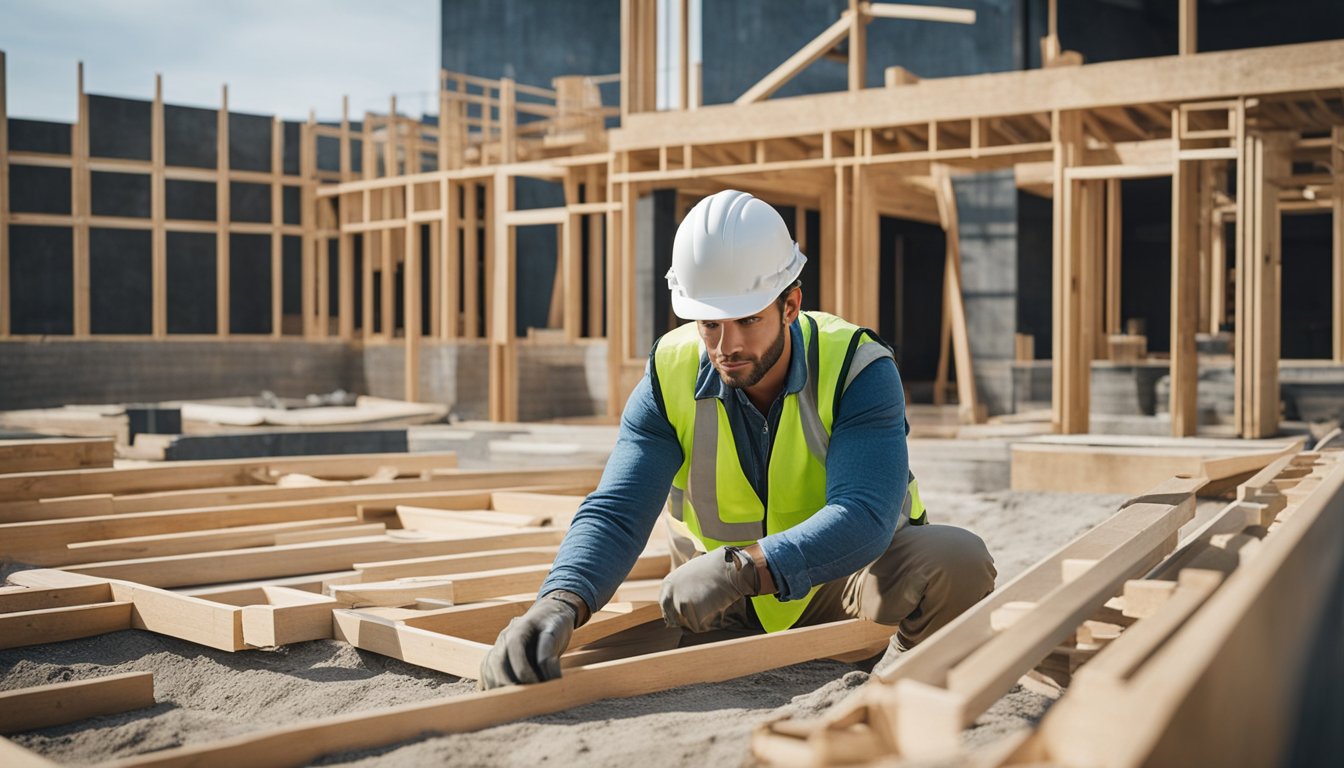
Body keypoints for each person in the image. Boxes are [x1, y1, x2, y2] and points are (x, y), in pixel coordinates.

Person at [480, 189, 996, 688]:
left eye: (748, 319)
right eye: (710, 324)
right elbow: (618, 509)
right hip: (717, 605)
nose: (728, 346)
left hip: (839, 582)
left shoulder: (855, 367)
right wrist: (561, 599)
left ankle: (900, 683)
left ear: (790, 305)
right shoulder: (670, 372)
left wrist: (743, 569)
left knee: (957, 559)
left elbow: (865, 514)